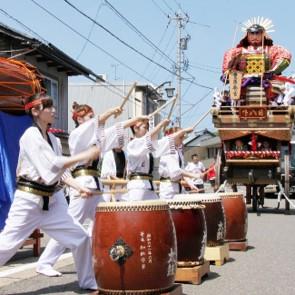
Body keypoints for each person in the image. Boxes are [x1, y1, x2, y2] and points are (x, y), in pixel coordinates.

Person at [0, 93, 100, 290]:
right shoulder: (30, 135)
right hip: (28, 201)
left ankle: (89, 282)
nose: (54, 110)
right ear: (35, 111)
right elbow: (52, 165)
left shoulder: (53, 139)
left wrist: (79, 187)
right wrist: (85, 154)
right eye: (49, 107)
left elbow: (60, 172)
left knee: (80, 238)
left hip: (52, 201)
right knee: (6, 246)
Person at [36, 102, 147, 277]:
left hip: (94, 185)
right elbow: (97, 122)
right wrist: (110, 110)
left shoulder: (95, 138)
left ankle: (105, 257)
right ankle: (44, 262)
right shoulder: (76, 135)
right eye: (89, 117)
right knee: (70, 225)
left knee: (105, 222)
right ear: (79, 119)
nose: (93, 120)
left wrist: (135, 119)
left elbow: (114, 128)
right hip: (82, 185)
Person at [222, 17, 292, 102]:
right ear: (247, 35)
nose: (254, 36)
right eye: (252, 33)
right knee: (234, 91)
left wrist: (272, 71)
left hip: (267, 79)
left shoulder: (272, 50)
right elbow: (228, 67)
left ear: (263, 35)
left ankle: (278, 103)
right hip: (243, 81)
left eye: (257, 33)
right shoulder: (236, 51)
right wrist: (228, 74)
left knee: (279, 89)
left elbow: (285, 57)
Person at [125, 119, 189, 201]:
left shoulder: (147, 147)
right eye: (145, 127)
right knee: (136, 212)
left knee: (159, 209)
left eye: (148, 128)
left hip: (149, 185)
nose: (147, 130)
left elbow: (159, 142)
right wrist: (161, 124)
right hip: (137, 186)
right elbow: (149, 137)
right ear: (135, 129)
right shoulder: (133, 145)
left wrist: (180, 134)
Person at [159, 127, 203, 199]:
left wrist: (190, 184)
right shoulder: (168, 149)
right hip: (168, 188)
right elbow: (175, 171)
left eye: (183, 137)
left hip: (178, 186)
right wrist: (194, 175)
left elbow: (182, 171)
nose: (182, 139)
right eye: (180, 137)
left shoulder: (178, 152)